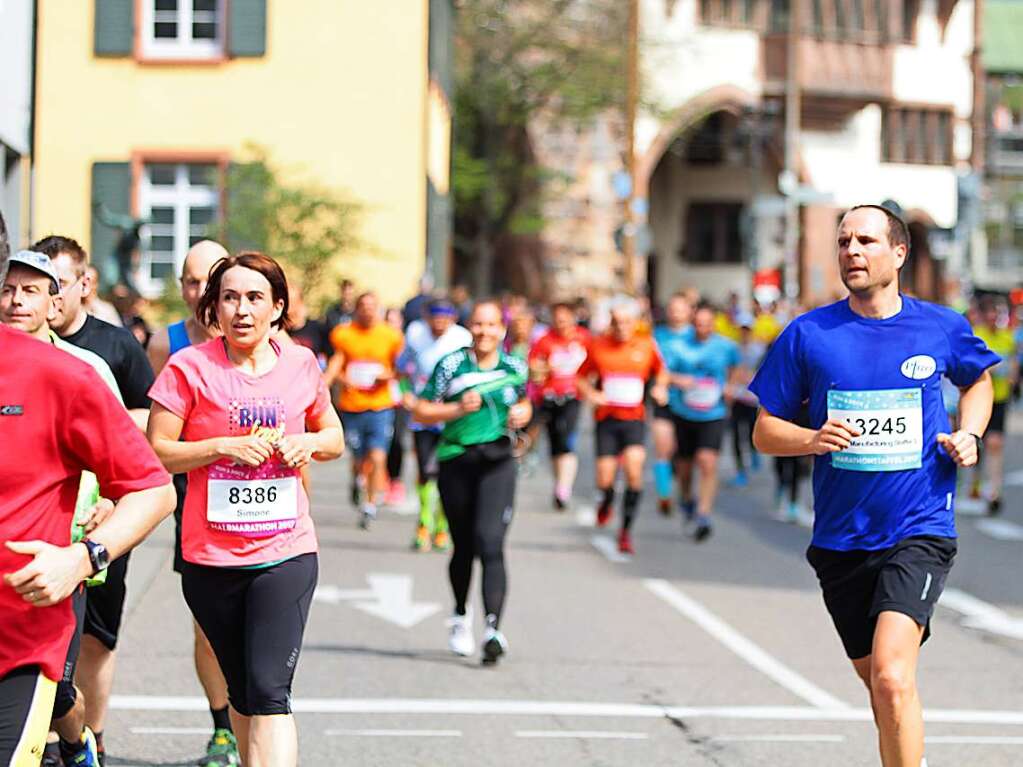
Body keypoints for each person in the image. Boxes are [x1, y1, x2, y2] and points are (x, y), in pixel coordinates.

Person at [751, 204, 999, 767]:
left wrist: (971, 433)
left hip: (920, 528)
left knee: (891, 677)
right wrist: (812, 439)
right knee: (882, 690)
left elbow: (978, 382)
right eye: (843, 242)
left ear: (899, 253)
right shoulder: (808, 333)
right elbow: (765, 432)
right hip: (841, 541)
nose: (852, 252)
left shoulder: (939, 325)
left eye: (865, 241)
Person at [147, 252, 344, 767]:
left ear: (278, 306)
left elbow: (334, 435)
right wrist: (222, 447)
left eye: (255, 297)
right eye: (230, 297)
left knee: (270, 692)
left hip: (286, 551)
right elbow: (158, 449)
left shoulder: (301, 363)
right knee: (242, 695)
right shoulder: (188, 367)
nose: (242, 309)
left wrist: (309, 445)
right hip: (211, 557)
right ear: (213, 306)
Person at [0, 212, 176, 767]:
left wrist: (82, 557)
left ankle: (80, 741)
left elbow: (153, 489)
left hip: (17, 640)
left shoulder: (64, 374)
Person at [35, 234, 156, 763]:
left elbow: (144, 427)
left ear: (83, 284)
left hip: (98, 523)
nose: (49, 297)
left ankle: (92, 738)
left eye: (58, 284)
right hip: (35, 525)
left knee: (93, 640)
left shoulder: (111, 351)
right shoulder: (18, 350)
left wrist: (112, 496)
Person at [1, 250, 123, 767]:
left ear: (55, 302)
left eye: (31, 291)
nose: (16, 301)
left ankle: (75, 743)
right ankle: (76, 741)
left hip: (60, 555)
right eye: (9, 289)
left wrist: (99, 528)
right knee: (55, 692)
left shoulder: (82, 369)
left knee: (59, 679)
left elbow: (126, 457)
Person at [146, 240, 243, 767]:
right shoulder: (169, 344)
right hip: (196, 505)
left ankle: (257, 714)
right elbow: (148, 431)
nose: (198, 291)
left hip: (260, 505)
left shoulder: (265, 341)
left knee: (257, 620)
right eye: (188, 280)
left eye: (209, 279)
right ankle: (222, 727)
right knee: (208, 624)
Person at [411, 301, 531, 665]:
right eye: (478, 324)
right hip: (457, 459)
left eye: (492, 325)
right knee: (463, 547)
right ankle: (461, 616)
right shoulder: (451, 365)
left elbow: (526, 408)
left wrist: (524, 415)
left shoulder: (515, 367)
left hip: (498, 463)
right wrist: (456, 409)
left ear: (502, 330)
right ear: (470, 328)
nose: (484, 332)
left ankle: (493, 630)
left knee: (490, 542)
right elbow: (421, 409)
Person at [576, 296, 669, 554]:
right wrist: (592, 395)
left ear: (635, 323)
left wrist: (660, 388)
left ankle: (625, 531)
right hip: (606, 419)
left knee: (634, 471)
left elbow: (661, 371)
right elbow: (581, 378)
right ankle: (605, 501)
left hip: (634, 420)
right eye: (617, 322)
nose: (622, 327)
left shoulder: (646, 346)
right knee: (605, 478)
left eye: (626, 322)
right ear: (611, 323)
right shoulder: (598, 346)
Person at [660, 302, 741, 541]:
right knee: (685, 468)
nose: (702, 328)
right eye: (698, 324)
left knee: (707, 461)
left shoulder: (725, 347)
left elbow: (736, 367)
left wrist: (730, 385)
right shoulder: (678, 346)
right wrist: (678, 380)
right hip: (684, 412)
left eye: (707, 324)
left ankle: (704, 513)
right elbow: (664, 374)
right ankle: (686, 498)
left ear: (714, 325)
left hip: (712, 413)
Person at [325, 292, 404, 528]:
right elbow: (336, 365)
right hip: (352, 405)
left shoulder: (391, 336)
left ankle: (369, 506)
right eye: (363, 306)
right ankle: (357, 480)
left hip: (381, 405)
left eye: (372, 306)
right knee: (359, 459)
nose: (368, 311)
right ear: (357, 309)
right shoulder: (343, 334)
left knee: (378, 456)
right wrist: (341, 379)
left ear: (378, 309)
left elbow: (401, 367)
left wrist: (387, 376)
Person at [398, 299, 472, 551]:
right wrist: (406, 392)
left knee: (448, 471)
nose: (439, 322)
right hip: (423, 412)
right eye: (435, 317)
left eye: (445, 317)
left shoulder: (463, 338)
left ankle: (443, 526)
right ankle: (423, 523)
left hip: (451, 413)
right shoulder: (415, 334)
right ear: (427, 317)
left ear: (453, 318)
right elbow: (401, 369)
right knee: (425, 469)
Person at [528, 302, 590, 510]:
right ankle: (560, 485)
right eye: (557, 318)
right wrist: (545, 368)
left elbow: (596, 365)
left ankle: (564, 487)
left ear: (573, 318)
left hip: (573, 397)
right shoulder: (544, 340)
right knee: (555, 443)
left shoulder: (584, 338)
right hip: (549, 396)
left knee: (566, 440)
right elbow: (534, 370)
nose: (561, 322)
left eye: (565, 318)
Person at [970, 297, 1016, 515]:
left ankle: (994, 490)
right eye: (989, 313)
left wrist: (1013, 377)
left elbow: (1014, 361)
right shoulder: (976, 336)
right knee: (977, 446)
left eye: (996, 314)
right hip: (979, 398)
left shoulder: (1008, 338)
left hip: (1000, 398)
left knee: (995, 443)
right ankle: (975, 482)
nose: (993, 317)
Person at [652, 293, 693, 515]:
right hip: (664, 399)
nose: (675, 313)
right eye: (672, 308)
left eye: (681, 308)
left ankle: (685, 494)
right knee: (663, 447)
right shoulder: (657, 336)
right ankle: (664, 495)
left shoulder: (696, 336)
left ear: (689, 311)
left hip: (691, 405)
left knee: (686, 458)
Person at [729, 312, 765, 487]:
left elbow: (767, 371)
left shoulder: (759, 349)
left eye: (747, 329)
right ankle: (740, 471)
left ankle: (754, 452)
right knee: (736, 436)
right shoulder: (732, 348)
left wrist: (753, 377)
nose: (744, 332)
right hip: (736, 397)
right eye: (742, 329)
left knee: (751, 432)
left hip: (753, 398)